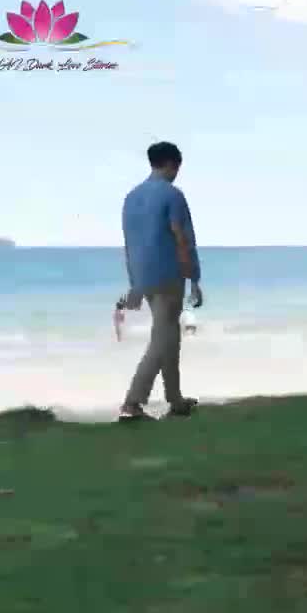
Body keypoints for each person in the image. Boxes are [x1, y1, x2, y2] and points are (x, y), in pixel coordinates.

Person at [117, 141, 203, 421]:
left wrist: (134, 282)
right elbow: (182, 238)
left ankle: (175, 399)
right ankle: (132, 402)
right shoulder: (172, 195)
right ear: (172, 164)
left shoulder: (131, 198)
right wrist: (194, 278)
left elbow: (129, 244)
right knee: (162, 338)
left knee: (168, 334)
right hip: (168, 274)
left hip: (142, 276)